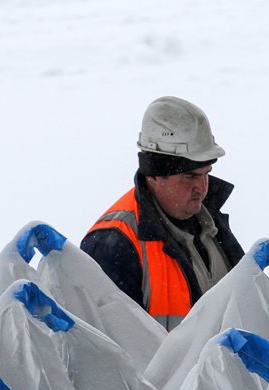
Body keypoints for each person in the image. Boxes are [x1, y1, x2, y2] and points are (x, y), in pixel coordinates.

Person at [82, 96, 244, 330]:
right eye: (189, 176)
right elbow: (109, 356)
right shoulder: (113, 245)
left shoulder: (210, 224)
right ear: (154, 174)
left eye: (205, 173)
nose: (202, 187)